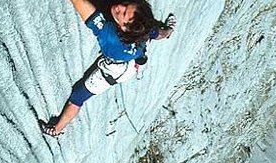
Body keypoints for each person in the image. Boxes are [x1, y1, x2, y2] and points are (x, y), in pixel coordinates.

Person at [41, 0, 176, 136]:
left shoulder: (110, 38)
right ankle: (169, 31)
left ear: (124, 29)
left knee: (78, 97)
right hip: (133, 57)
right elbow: (155, 32)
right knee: (153, 32)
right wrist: (166, 32)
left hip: (114, 71)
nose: (119, 6)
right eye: (127, 3)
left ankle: (56, 129)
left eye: (123, 13)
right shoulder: (141, 26)